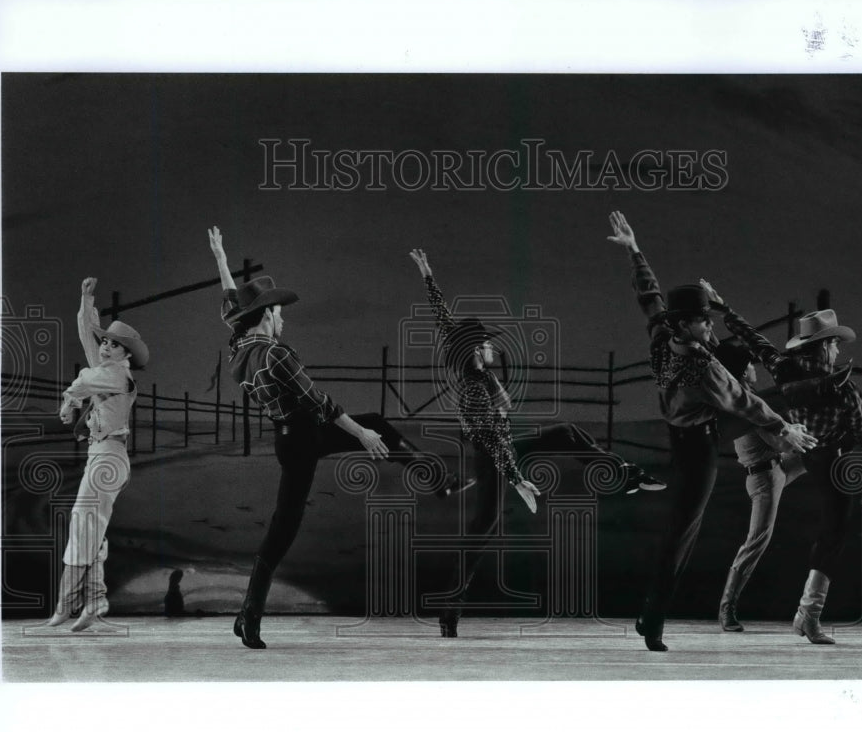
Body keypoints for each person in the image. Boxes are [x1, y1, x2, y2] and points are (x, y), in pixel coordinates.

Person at [208, 227, 466, 649]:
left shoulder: (240, 346)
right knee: (369, 431)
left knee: (282, 527)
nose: (283, 319)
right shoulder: (276, 354)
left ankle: (249, 615)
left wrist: (220, 256)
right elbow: (320, 403)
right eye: (279, 313)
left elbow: (231, 303)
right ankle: (437, 479)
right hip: (307, 436)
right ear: (268, 315)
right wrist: (360, 433)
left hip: (287, 441)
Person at [410, 248, 667, 637]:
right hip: (493, 456)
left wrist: (429, 275)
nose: (494, 348)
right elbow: (491, 438)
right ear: (477, 349)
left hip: (501, 448)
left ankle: (625, 474)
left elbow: (445, 320)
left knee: (565, 433)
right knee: (482, 530)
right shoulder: (476, 386)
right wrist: (516, 478)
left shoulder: (467, 360)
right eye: (488, 344)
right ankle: (449, 609)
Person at [606, 211, 818, 651]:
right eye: (703, 320)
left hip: (687, 436)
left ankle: (652, 615)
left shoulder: (664, 335)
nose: (709, 326)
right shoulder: (703, 367)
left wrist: (634, 251)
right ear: (685, 324)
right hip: (698, 449)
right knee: (682, 531)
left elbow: (648, 297)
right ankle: (654, 619)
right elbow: (745, 402)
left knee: (679, 528)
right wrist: (785, 431)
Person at [703, 282, 862, 643]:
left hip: (804, 454)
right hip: (798, 462)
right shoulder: (836, 389)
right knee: (790, 535)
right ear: (825, 345)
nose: (838, 348)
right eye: (835, 342)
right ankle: (764, 610)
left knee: (833, 507)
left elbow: (754, 340)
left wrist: (723, 308)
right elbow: (859, 436)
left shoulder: (781, 369)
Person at [46, 277, 149, 631]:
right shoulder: (107, 369)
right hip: (101, 455)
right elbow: (86, 336)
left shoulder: (117, 376)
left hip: (109, 456)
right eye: (105, 342)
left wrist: (69, 398)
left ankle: (67, 603)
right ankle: (95, 599)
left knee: (83, 520)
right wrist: (86, 300)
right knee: (92, 527)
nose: (105, 347)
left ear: (126, 354)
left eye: (113, 345)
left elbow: (82, 381)